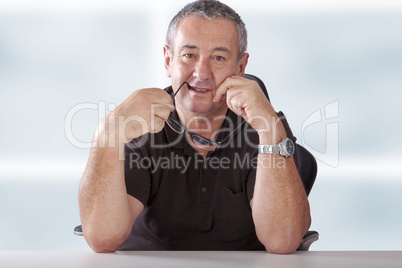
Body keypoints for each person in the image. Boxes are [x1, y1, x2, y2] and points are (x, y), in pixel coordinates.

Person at [78, 0, 311, 254]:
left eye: (218, 57)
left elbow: (283, 241)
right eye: (189, 55)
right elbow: (102, 238)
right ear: (168, 61)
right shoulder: (138, 125)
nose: (201, 73)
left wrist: (271, 131)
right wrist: (107, 133)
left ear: (240, 68)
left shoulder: (264, 126)